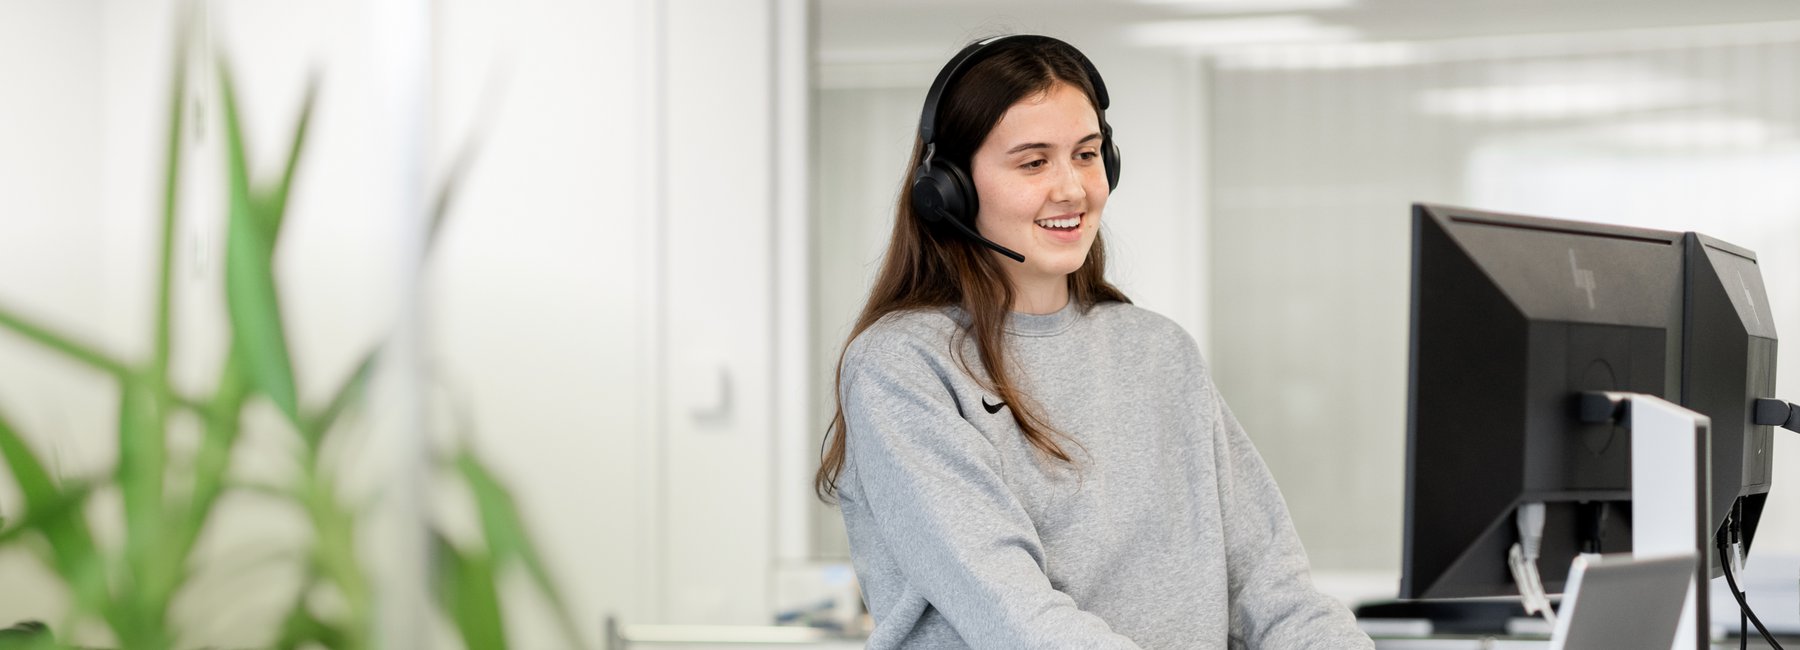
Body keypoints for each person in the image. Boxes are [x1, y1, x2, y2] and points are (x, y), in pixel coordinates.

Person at [814, 34, 1373, 649]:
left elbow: (1275, 593)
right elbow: (1015, 616)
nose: (1073, 188)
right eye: (1033, 162)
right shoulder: (904, 365)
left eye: (1086, 155)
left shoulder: (1160, 353)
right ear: (950, 189)